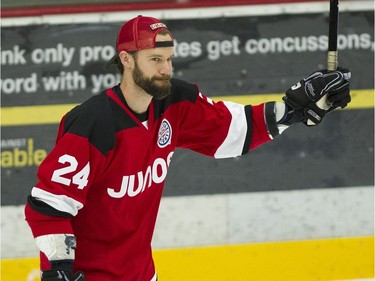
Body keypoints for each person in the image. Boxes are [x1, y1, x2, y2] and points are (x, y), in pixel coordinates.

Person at [25, 15, 351, 281]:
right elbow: (49, 206)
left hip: (141, 274)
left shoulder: (175, 101)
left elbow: (234, 130)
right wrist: (58, 271)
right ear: (126, 59)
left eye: (169, 59)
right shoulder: (92, 124)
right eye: (155, 59)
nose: (166, 69)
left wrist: (293, 109)